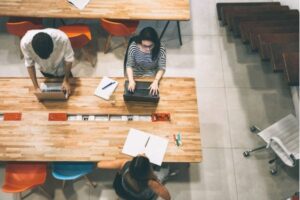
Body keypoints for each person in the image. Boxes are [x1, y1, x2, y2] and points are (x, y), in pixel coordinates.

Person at [20, 28, 74, 95]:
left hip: (62, 67)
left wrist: (66, 80)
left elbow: (69, 59)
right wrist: (36, 87)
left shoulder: (63, 39)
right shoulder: (25, 44)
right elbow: (29, 65)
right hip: (44, 69)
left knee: (69, 90)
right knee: (52, 93)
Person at [98, 156, 171, 200]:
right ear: (149, 170)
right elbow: (167, 197)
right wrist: (156, 180)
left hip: (125, 191)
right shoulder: (151, 183)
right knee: (163, 172)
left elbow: (99, 164)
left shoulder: (125, 164)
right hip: (143, 197)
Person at [125, 27, 166, 95]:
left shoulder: (161, 48)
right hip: (136, 71)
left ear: (155, 42)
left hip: (152, 72)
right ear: (140, 42)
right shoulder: (134, 46)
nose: (148, 49)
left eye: (150, 46)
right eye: (144, 46)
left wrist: (156, 81)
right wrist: (131, 80)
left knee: (152, 93)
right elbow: (129, 65)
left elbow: (162, 67)